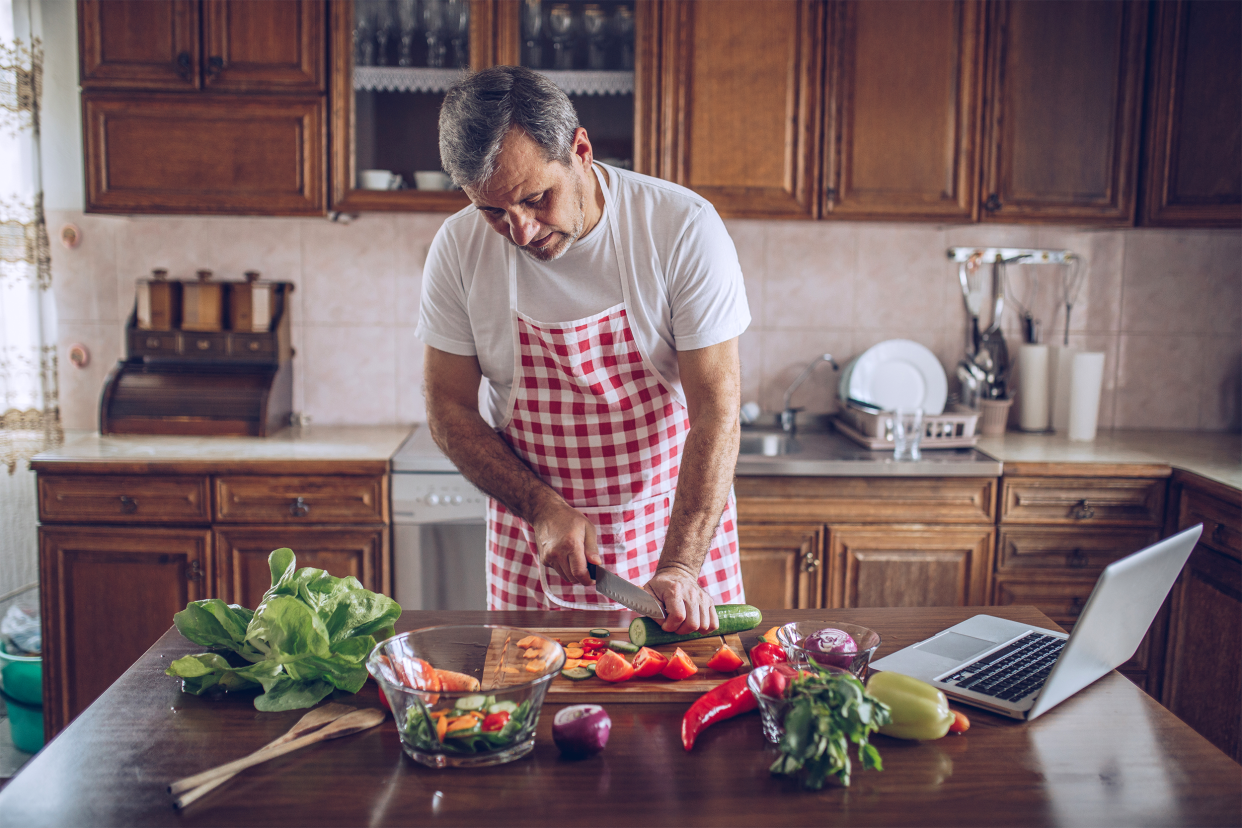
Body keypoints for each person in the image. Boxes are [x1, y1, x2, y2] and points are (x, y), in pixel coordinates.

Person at [416, 66, 749, 635]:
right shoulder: (459, 249)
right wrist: (539, 505)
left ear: (581, 150)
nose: (519, 231)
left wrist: (679, 567)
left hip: (675, 542)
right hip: (535, 547)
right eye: (494, 211)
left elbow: (717, 413)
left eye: (535, 198)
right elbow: (448, 407)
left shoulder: (681, 229)